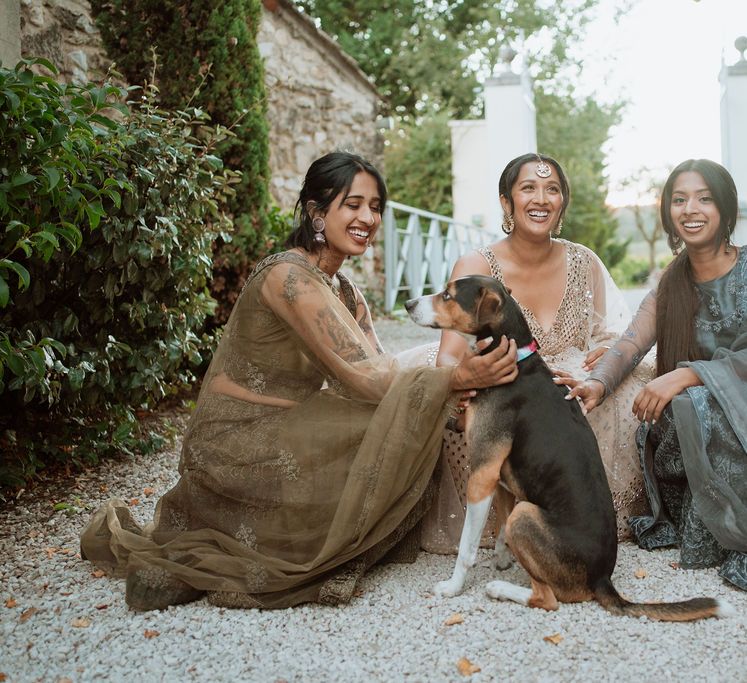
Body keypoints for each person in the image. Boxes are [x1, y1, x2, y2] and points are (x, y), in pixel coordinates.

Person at [79, 151, 518, 610]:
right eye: (352, 204)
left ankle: (259, 552)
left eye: (375, 207)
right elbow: (366, 379)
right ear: (315, 212)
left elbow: (380, 371)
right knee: (402, 417)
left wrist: (453, 389)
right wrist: (454, 379)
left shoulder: (345, 291)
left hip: (293, 426)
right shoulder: (288, 277)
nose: (367, 217)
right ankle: (212, 559)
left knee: (404, 424)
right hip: (235, 443)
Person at [418, 153, 652, 553]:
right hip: (503, 384)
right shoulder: (477, 264)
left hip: (564, 385)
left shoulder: (584, 260)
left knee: (627, 386)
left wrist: (602, 350)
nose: (541, 198)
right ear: (507, 202)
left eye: (552, 189)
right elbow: (448, 357)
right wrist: (469, 387)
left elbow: (613, 331)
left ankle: (582, 520)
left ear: (562, 203)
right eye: (528, 188)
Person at [562, 159, 747, 591]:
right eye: (679, 200)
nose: (690, 209)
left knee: (695, 398)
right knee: (690, 406)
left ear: (725, 207)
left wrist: (689, 375)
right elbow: (630, 344)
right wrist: (597, 383)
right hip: (691, 426)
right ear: (667, 213)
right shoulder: (670, 285)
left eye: (704, 198)